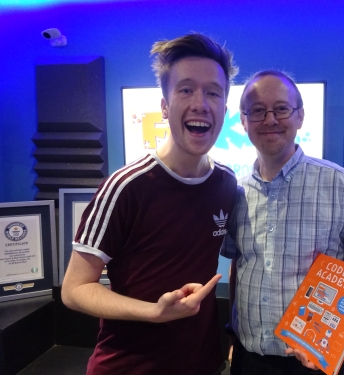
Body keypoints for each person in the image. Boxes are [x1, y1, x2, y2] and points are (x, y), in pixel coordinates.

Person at [61, 33, 239, 375]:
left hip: (202, 364)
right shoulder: (126, 187)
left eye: (213, 92)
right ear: (164, 106)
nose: (201, 102)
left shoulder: (226, 183)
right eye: (185, 89)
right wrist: (154, 312)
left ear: (224, 109)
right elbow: (74, 290)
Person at [221, 70, 344, 375]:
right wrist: (233, 334)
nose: (270, 119)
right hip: (249, 360)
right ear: (243, 121)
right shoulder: (236, 192)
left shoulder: (342, 185)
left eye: (282, 109)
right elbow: (240, 266)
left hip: (313, 362)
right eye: (257, 111)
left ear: (300, 117)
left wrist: (341, 325)